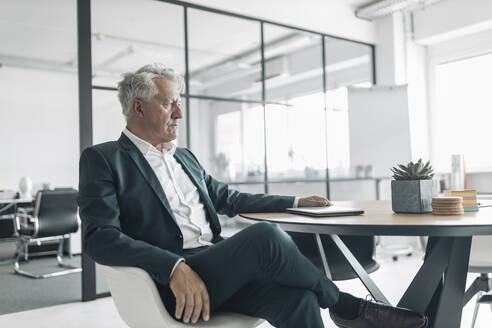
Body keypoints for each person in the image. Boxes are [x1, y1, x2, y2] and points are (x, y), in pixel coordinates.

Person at [78, 63, 427, 328]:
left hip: (216, 269)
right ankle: (349, 307)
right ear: (139, 108)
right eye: (170, 104)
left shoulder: (183, 157)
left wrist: (292, 202)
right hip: (172, 283)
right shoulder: (104, 159)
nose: (180, 114)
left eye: (179, 104)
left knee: (300, 299)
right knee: (264, 236)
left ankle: (340, 305)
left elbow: (227, 198)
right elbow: (99, 238)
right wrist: (172, 266)